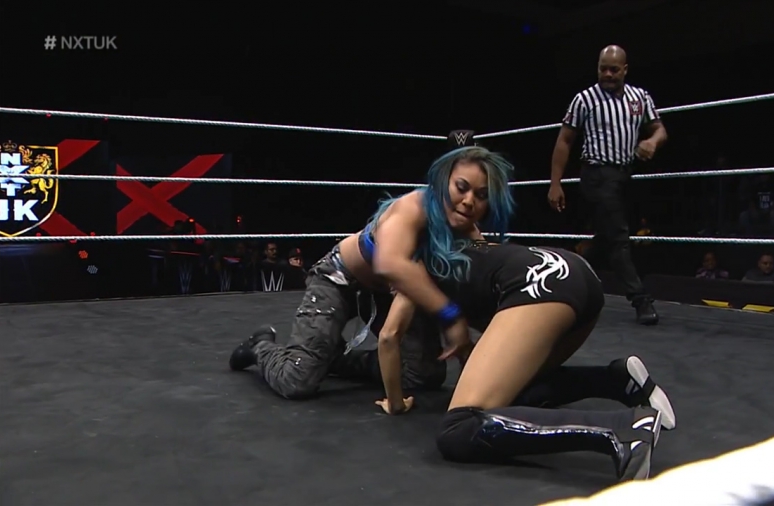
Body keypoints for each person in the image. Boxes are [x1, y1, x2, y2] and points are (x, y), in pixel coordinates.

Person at [228, 144, 514, 400]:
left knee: (423, 374)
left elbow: (486, 271)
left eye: (481, 195)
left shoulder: (469, 233)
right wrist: (451, 315)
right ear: (443, 181)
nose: (468, 201)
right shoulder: (413, 208)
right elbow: (390, 263)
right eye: (461, 187)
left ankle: (334, 360)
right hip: (341, 279)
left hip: (385, 293)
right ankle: (260, 346)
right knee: (296, 380)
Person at [375, 240, 675, 481]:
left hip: (542, 287)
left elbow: (389, 337)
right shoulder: (462, 250)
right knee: (511, 398)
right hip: (576, 274)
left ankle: (622, 428)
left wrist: (396, 403)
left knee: (459, 429)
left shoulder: (412, 269)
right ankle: (616, 380)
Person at [547, 44, 666, 326]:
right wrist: (555, 183)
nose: (608, 74)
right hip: (597, 175)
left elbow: (660, 129)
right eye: (603, 69)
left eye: (614, 69)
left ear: (625, 69)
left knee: (607, 238)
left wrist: (652, 142)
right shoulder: (584, 99)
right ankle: (640, 299)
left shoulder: (640, 97)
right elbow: (565, 140)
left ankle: (568, 279)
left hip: (626, 176)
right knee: (619, 237)